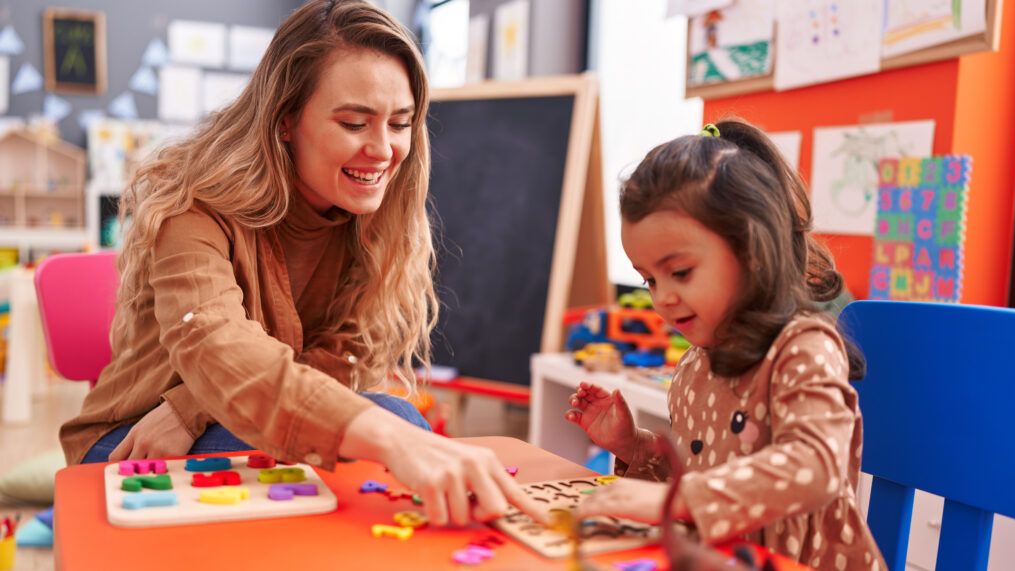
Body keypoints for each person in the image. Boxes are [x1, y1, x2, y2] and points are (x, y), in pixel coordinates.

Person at [60, 0, 548, 528]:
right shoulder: (193, 208)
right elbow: (217, 348)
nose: (383, 150)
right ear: (286, 119)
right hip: (130, 441)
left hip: (221, 420)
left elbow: (338, 357)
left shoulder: (373, 220)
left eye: (400, 123)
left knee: (385, 437)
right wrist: (394, 438)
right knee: (391, 422)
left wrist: (192, 406)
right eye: (354, 122)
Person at [565, 120, 885, 569]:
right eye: (648, 279)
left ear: (751, 251)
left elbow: (816, 466)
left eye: (680, 272)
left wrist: (676, 503)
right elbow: (700, 479)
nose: (663, 297)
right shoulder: (697, 361)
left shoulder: (804, 347)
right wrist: (633, 445)